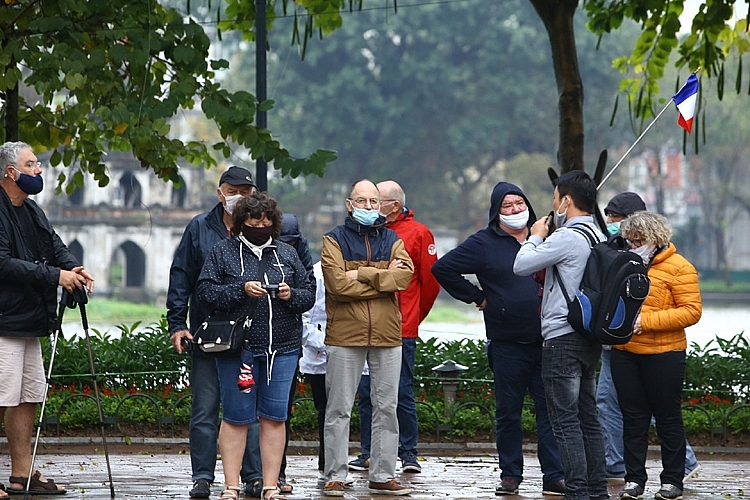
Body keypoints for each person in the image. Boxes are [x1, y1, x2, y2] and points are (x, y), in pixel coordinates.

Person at [431, 181, 565, 496]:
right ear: (496, 211)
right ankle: (510, 474)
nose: (516, 210)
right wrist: (478, 297)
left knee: (551, 412)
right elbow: (443, 268)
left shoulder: (548, 236)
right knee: (508, 412)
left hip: (548, 340)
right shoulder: (483, 243)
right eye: (508, 205)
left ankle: (554, 475)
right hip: (507, 343)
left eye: (520, 203)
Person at [196, 193, 315, 500]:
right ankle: (231, 486)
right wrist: (242, 289)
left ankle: (270, 485)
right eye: (253, 222)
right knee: (236, 418)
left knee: (275, 418)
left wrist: (290, 294)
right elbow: (206, 292)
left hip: (283, 349)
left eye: (266, 223)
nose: (260, 227)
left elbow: (309, 294)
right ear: (241, 223)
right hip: (238, 350)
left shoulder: (287, 253)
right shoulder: (223, 251)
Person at [0, 141, 95, 496]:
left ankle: (21, 474)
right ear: (11, 172)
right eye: (31, 164)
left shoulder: (32, 209)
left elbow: (54, 245)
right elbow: (3, 263)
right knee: (1, 397)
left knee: (27, 396)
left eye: (37, 163)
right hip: (3, 321)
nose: (38, 170)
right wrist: (57, 277)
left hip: (30, 318)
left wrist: (73, 268)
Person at [166, 166, 264, 498]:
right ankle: (202, 477)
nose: (239, 197)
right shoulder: (199, 227)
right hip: (207, 332)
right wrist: (177, 324)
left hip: (250, 333)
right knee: (204, 409)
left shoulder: (259, 229)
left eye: (245, 192)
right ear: (220, 193)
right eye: (232, 191)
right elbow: (181, 276)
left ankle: (253, 476)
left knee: (248, 410)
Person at [513, 170, 609, 500]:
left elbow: (521, 265)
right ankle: (597, 490)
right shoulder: (598, 235)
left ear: (566, 201)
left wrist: (535, 236)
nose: (553, 206)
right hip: (589, 336)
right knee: (588, 418)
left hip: (562, 337)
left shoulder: (567, 237)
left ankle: (578, 491)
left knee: (565, 421)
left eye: (555, 199)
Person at [598, 193, 701, 484]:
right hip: (625, 350)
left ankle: (673, 480)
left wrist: (647, 322)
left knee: (667, 417)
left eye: (637, 241)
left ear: (654, 239)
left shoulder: (680, 267)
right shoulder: (624, 263)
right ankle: (634, 480)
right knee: (633, 419)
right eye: (629, 241)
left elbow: (691, 311)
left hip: (664, 353)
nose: (632, 246)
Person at [320, 179, 414, 497]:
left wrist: (361, 273)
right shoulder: (333, 240)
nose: (369, 207)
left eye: (374, 201)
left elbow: (404, 277)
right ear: (349, 205)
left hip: (387, 334)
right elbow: (337, 286)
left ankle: (383, 474)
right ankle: (335, 474)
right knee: (339, 407)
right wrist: (383, 280)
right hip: (344, 334)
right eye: (361, 201)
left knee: (387, 407)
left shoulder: (392, 239)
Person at [349, 180, 440, 474]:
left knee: (400, 393)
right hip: (366, 325)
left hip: (401, 328)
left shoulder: (419, 233)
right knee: (366, 394)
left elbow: (431, 283)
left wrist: (413, 317)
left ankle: (409, 453)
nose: (371, 205)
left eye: (377, 201)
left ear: (394, 205)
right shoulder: (368, 232)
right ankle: (367, 452)